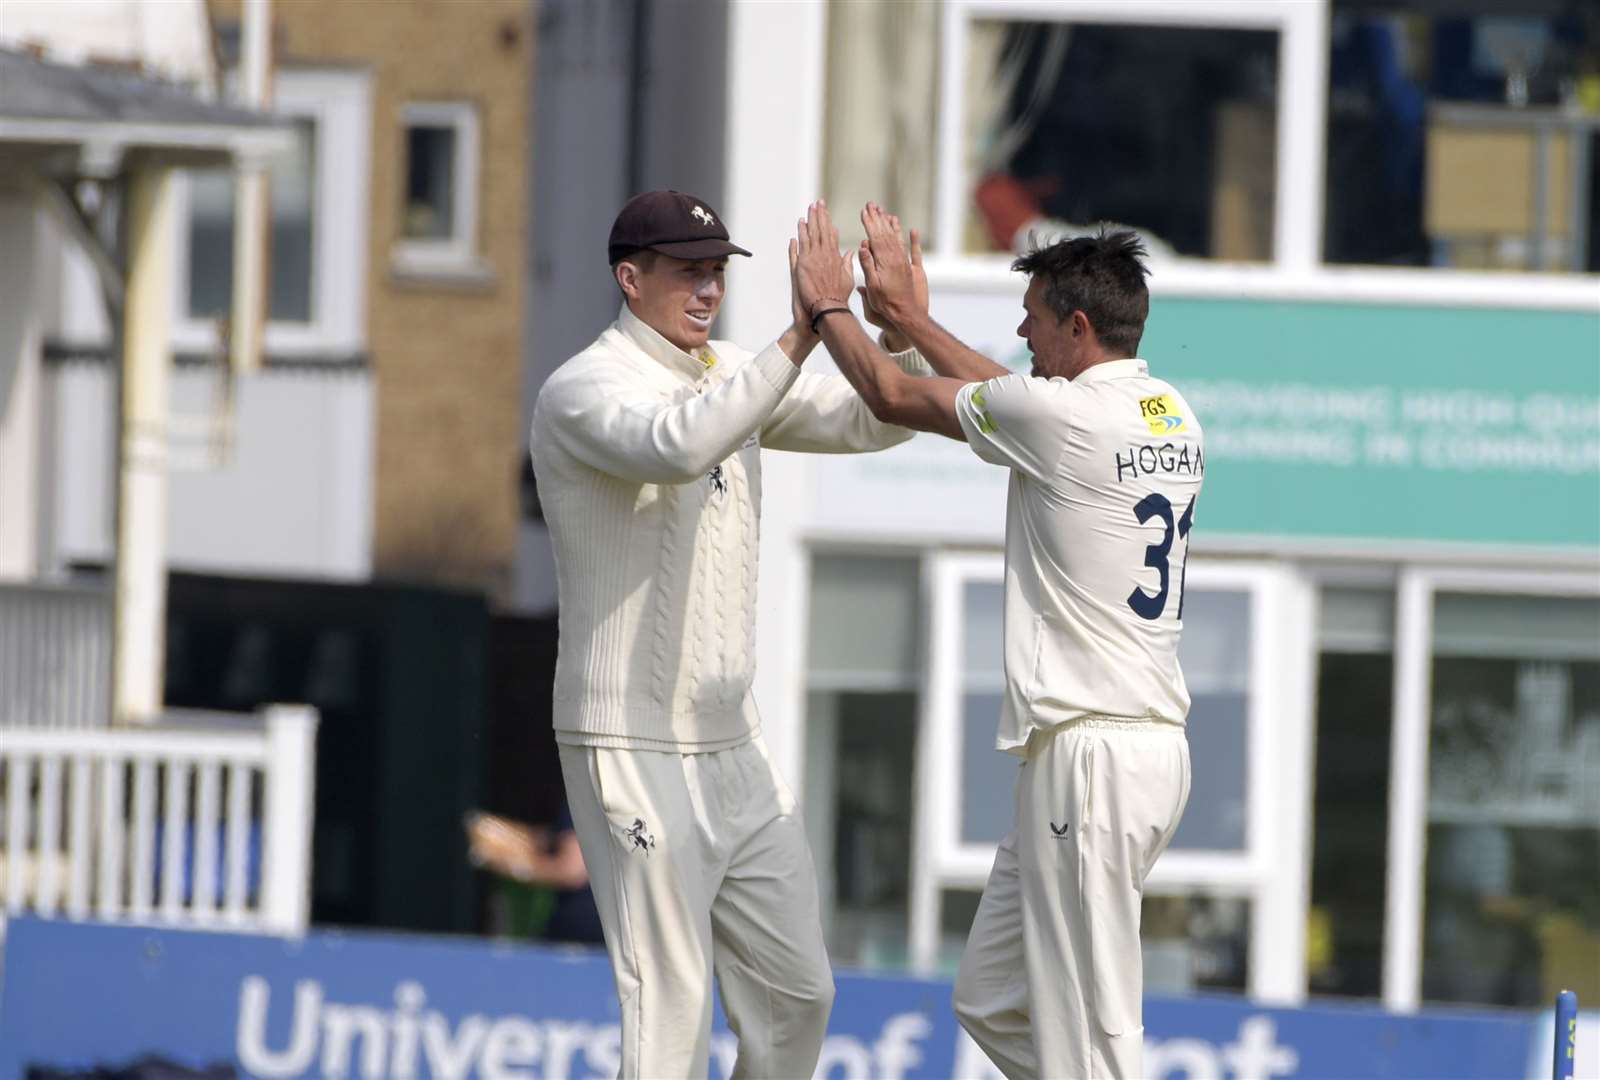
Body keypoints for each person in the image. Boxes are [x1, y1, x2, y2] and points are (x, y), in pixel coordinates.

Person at [792, 201, 1202, 1080]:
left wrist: (829, 308)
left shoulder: (1064, 422)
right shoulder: (1167, 412)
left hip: (1092, 753)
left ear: (1080, 326)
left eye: (1034, 318)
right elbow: (1018, 406)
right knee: (989, 994)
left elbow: (894, 395)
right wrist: (908, 320)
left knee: (1090, 1024)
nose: (1021, 332)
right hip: (1132, 748)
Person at [529, 190, 930, 1079]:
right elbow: (677, 444)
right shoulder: (584, 388)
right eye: (686, 272)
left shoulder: (730, 374)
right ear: (630, 281)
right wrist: (802, 334)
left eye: (716, 272)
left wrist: (895, 331)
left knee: (799, 997)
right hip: (629, 742)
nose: (707, 290)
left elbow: (873, 422)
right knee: (670, 999)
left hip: (730, 747)